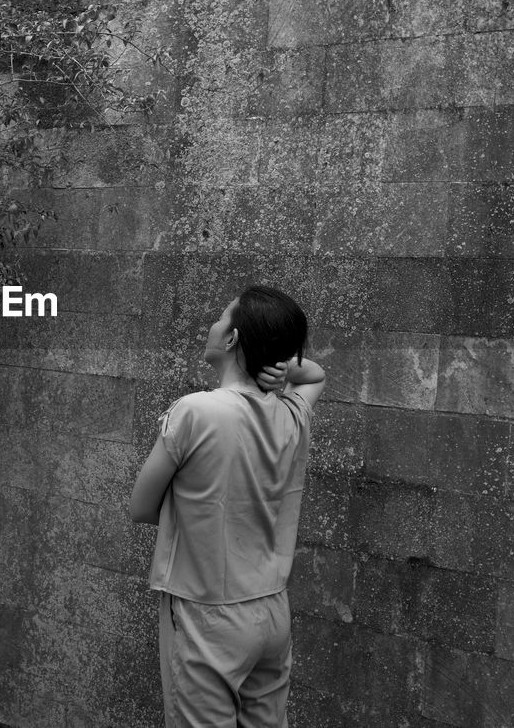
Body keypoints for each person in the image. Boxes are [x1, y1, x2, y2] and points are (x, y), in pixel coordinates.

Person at [129, 285, 326, 728]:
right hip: (272, 611)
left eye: (221, 319)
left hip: (207, 612)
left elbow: (141, 507)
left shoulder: (196, 411)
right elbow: (315, 375)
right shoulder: (292, 414)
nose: (212, 326)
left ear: (233, 339)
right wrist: (283, 372)